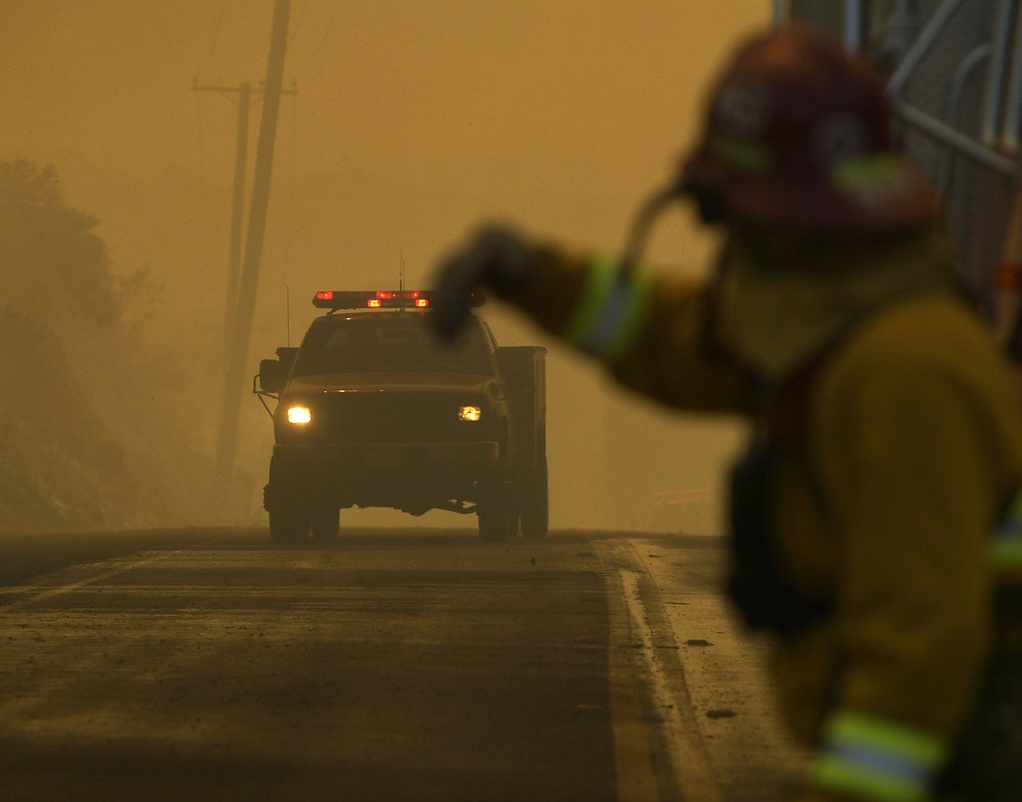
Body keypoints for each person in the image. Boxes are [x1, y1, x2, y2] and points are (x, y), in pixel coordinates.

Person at [430, 24, 1022, 802]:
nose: (722, 232)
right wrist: (536, 277)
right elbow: (683, 338)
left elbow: (922, 635)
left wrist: (852, 791)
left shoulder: (903, 373)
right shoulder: (838, 319)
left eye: (730, 207)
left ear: (782, 218)